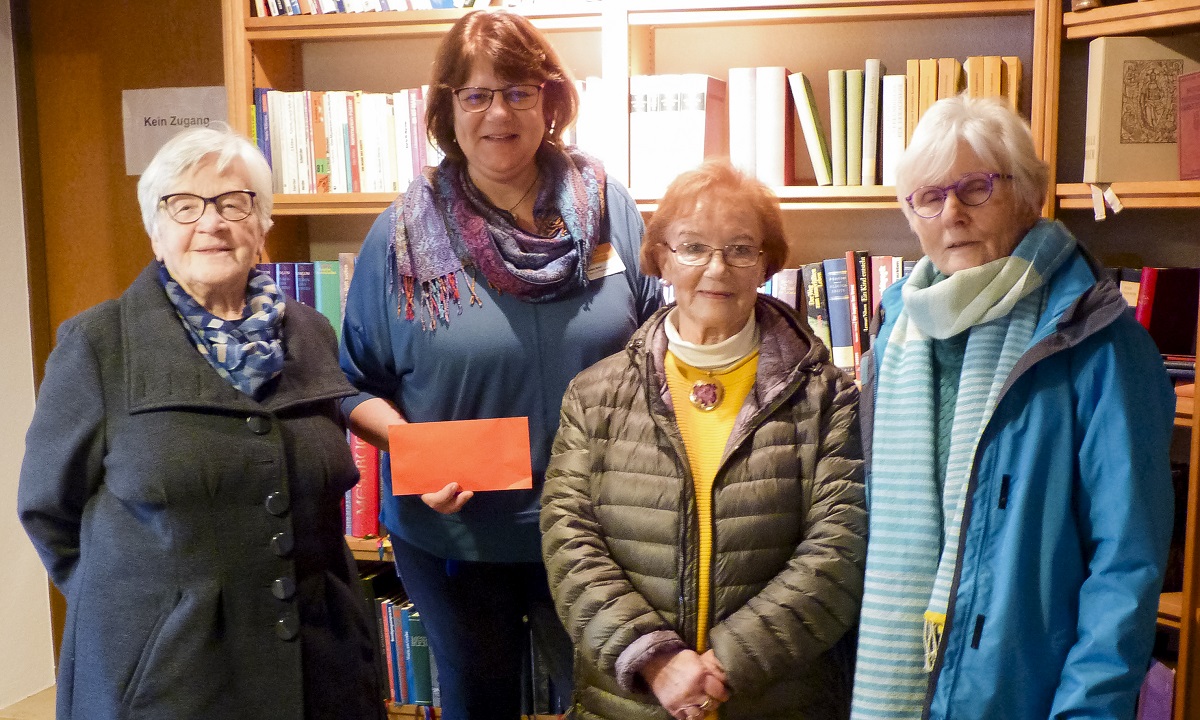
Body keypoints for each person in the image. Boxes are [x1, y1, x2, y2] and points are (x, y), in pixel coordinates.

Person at [338, 10, 661, 720]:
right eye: (476, 95)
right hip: (457, 537)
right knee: (478, 705)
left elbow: (660, 340)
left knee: (610, 705)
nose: (498, 113)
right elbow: (352, 382)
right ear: (446, 110)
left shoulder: (608, 208)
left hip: (597, 530)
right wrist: (412, 450)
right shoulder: (400, 234)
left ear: (550, 101)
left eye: (517, 91)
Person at [17, 125, 384, 720]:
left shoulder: (311, 331)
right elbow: (48, 510)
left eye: (233, 203)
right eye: (182, 205)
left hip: (322, 667)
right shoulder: (97, 345)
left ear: (262, 225)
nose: (210, 223)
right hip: (167, 680)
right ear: (155, 231)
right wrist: (143, 613)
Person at [850, 95, 1175, 720]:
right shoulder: (894, 332)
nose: (951, 214)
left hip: (1028, 691)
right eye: (928, 195)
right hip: (894, 687)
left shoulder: (1096, 341)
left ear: (1028, 194)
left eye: (975, 188)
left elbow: (1126, 563)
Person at [541, 159, 867, 720]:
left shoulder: (829, 398)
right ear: (660, 257)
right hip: (631, 701)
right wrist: (656, 662)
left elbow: (838, 552)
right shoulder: (593, 395)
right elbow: (569, 541)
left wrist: (724, 668)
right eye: (692, 247)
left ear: (766, 262)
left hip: (775, 699)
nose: (716, 268)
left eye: (740, 248)